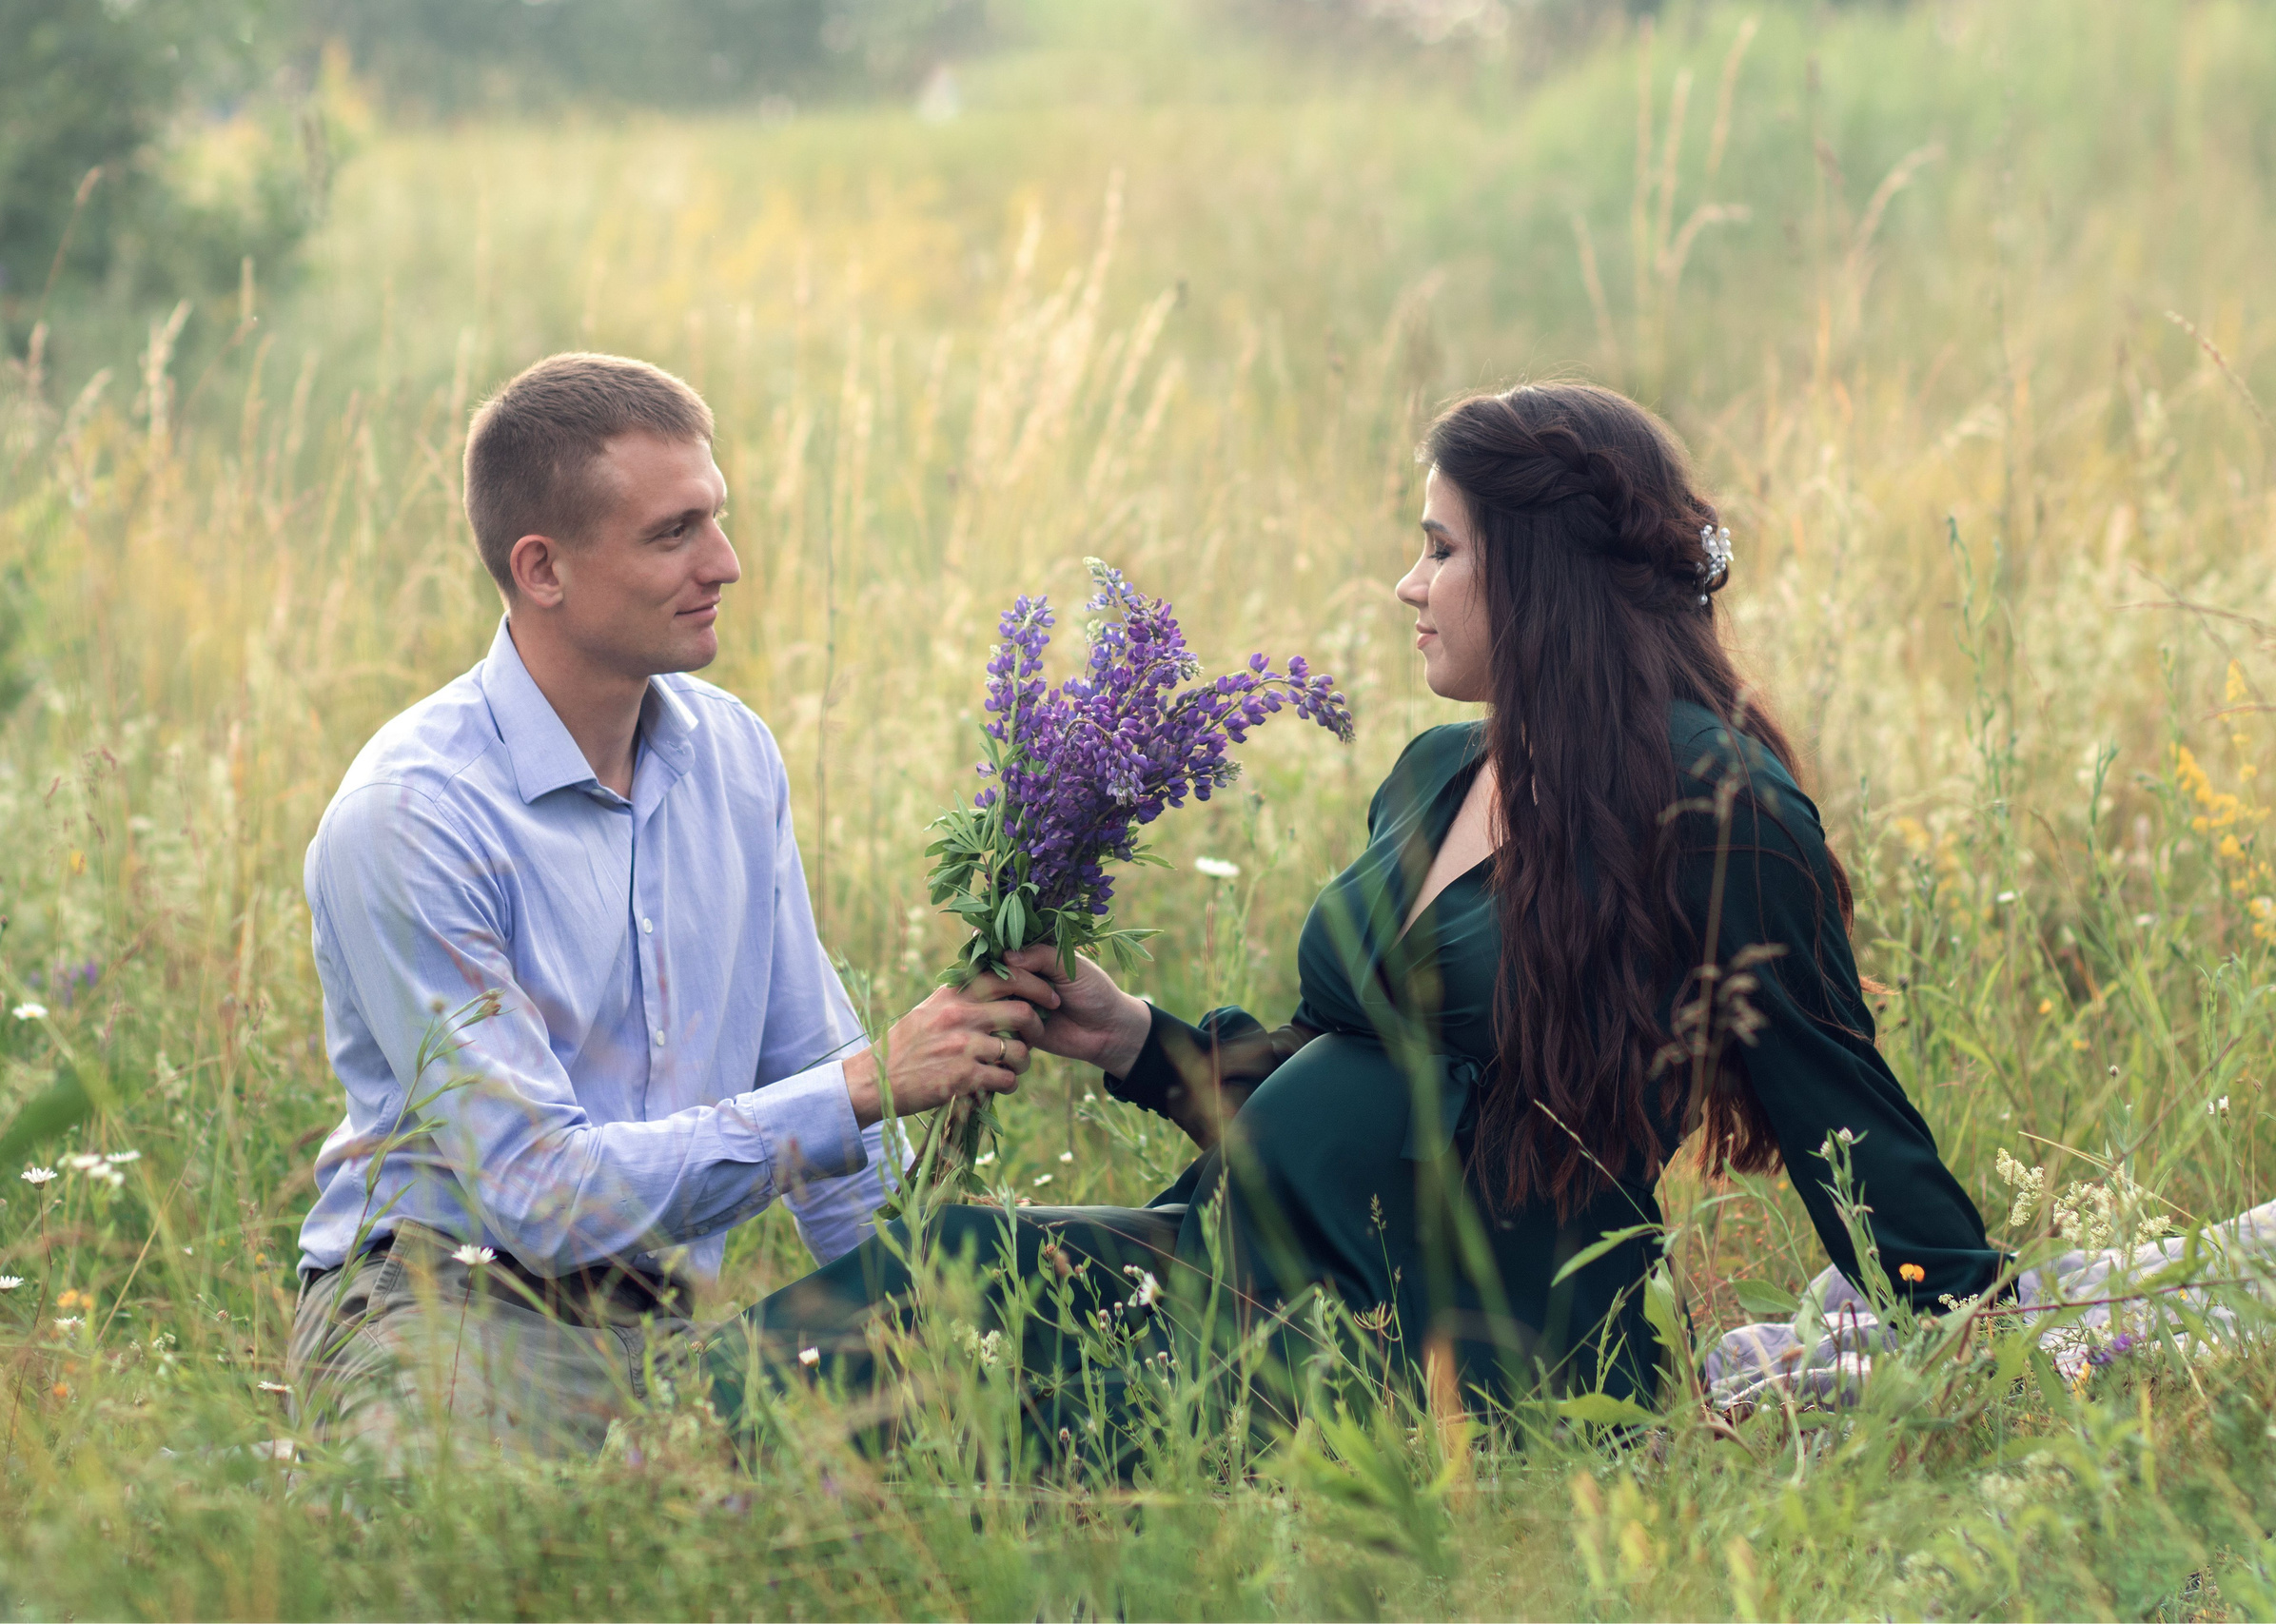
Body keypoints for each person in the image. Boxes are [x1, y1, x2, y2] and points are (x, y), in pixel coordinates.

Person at [724, 382, 2004, 1442]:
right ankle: (628, 1441)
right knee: (939, 1266)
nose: (1408, 584)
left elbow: (1842, 1104)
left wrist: (1967, 1328)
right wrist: (1134, 1037)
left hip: (1434, 1341)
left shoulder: (1711, 801)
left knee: (939, 1374)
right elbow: (1358, 1080)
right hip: (1237, 1258)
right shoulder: (1441, 772)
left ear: (1542, 576)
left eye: (1442, 548)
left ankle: (664, 1462)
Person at [284, 352, 1045, 1462]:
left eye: (717, 521)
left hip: (668, 1328)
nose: (725, 564)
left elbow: (817, 1078)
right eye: (672, 533)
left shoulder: (732, 755)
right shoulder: (413, 817)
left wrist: (921, 1324)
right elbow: (538, 1196)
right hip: (442, 1311)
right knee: (490, 1559)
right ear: (541, 569)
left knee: (991, 1460)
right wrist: (865, 1084)